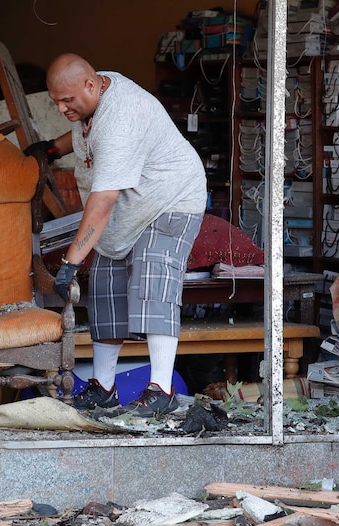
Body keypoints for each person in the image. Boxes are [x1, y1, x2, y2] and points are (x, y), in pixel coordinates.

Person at [29, 53, 206, 416]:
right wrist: (52, 148)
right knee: (107, 285)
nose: (62, 108)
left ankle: (161, 389)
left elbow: (103, 201)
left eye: (67, 101)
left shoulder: (121, 117)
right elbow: (82, 128)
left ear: (91, 86)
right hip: (132, 205)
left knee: (152, 276)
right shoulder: (94, 92)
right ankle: (105, 387)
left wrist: (70, 262)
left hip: (170, 199)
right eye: (56, 102)